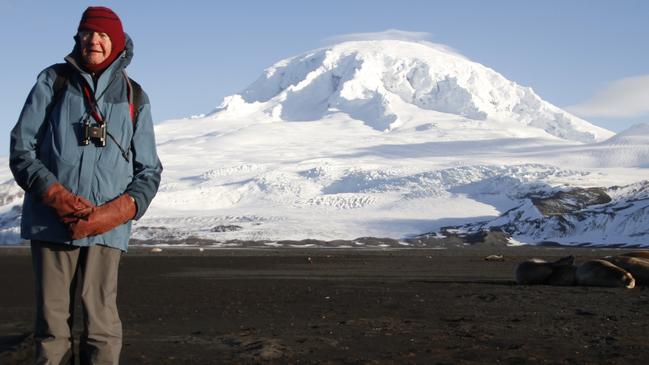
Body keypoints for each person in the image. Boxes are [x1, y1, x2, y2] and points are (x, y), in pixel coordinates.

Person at [9, 6, 162, 364]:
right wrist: (56, 196)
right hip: (52, 224)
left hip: (107, 231)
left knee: (102, 329)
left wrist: (113, 214)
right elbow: (21, 148)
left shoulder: (134, 96)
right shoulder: (53, 81)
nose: (94, 40)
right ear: (78, 38)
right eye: (87, 33)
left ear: (118, 41)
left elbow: (149, 171)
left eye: (103, 34)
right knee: (51, 328)